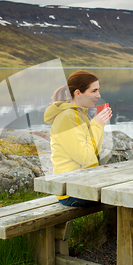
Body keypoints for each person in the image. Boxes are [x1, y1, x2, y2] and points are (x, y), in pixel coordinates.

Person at [44, 70, 112, 207]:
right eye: (94, 91)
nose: (99, 95)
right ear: (78, 93)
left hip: (82, 183)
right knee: (121, 192)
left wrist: (99, 125)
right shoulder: (68, 117)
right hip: (71, 192)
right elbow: (85, 159)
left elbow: (94, 152)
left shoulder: (80, 114)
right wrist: (97, 125)